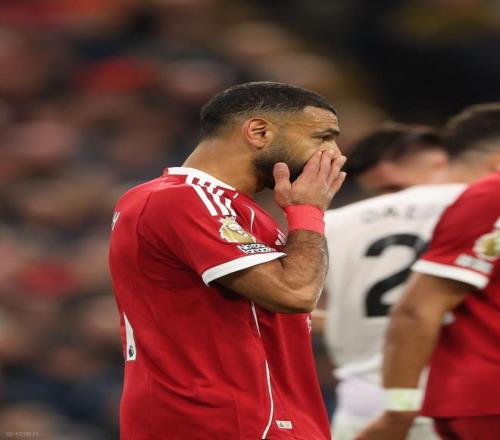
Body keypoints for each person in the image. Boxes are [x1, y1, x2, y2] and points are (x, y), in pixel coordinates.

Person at [108, 81, 347, 440]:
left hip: (262, 419)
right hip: (221, 422)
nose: (335, 154)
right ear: (259, 132)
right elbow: (294, 293)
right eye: (322, 138)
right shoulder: (182, 199)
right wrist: (309, 211)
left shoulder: (234, 210)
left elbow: (262, 317)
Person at [318, 104, 500, 440]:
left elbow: (296, 308)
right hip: (445, 389)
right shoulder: (484, 204)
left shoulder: (330, 222)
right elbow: (419, 307)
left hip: (361, 402)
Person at [314, 123, 455, 440]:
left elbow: (305, 308)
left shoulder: (330, 223)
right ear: (440, 161)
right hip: (451, 395)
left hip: (361, 405)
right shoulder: (474, 206)